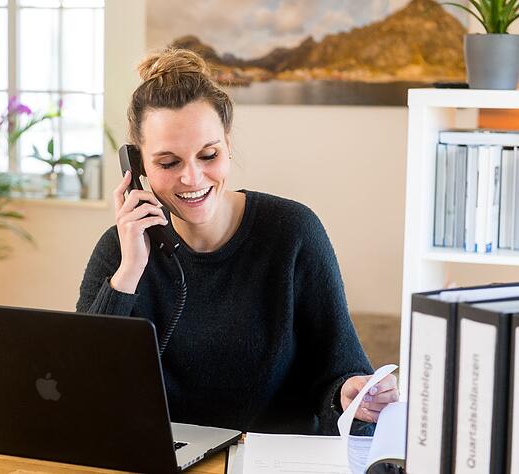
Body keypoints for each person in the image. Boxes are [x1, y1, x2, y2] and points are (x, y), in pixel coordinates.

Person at [76, 48, 398, 435]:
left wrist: (350, 396)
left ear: (228, 146)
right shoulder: (119, 248)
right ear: (137, 166)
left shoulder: (292, 232)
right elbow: (85, 385)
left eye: (208, 154)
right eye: (168, 163)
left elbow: (341, 371)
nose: (192, 178)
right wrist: (129, 273)